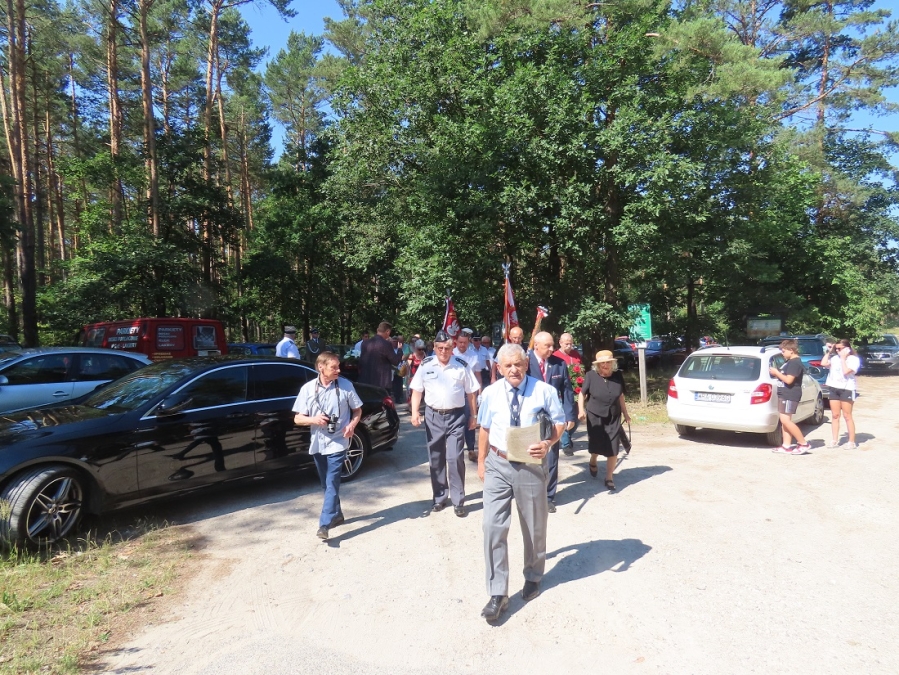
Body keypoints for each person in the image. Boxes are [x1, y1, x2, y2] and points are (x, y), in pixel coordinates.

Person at [476, 343, 565, 623]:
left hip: (530, 464)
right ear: (499, 368)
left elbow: (560, 422)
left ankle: (534, 575)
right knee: (492, 526)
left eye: (518, 364)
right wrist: (481, 462)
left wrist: (548, 444)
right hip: (498, 463)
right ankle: (497, 593)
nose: (513, 369)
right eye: (508, 365)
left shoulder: (544, 391)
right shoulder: (490, 393)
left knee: (534, 526)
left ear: (526, 364)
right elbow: (485, 428)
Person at [292, 352, 363, 540]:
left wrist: (352, 426)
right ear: (321, 368)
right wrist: (313, 419)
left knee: (332, 482)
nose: (338, 370)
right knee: (326, 483)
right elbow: (297, 418)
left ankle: (324, 524)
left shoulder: (346, 386)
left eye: (338, 366)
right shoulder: (308, 389)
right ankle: (337, 514)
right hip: (318, 442)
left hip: (339, 442)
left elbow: (357, 410)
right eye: (334, 367)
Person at [409, 330, 480, 517]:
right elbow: (417, 390)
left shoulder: (461, 365)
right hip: (433, 416)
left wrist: (474, 416)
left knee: (455, 458)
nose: (443, 351)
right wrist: (415, 412)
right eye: (440, 348)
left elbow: (471, 393)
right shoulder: (426, 365)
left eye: (447, 348)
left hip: (456, 416)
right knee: (436, 458)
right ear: (434, 347)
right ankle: (439, 497)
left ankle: (458, 500)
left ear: (452, 347)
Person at [527, 332, 576, 512]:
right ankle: (530, 493)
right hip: (529, 418)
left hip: (552, 418)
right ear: (536, 345)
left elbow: (567, 390)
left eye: (552, 345)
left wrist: (569, 415)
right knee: (529, 455)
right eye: (547, 346)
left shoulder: (559, 364)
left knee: (551, 456)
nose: (551, 349)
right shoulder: (525, 362)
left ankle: (548, 496)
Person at [578, 350, 631, 490]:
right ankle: (593, 459)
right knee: (597, 443)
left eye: (608, 362)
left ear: (612, 363)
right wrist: (581, 410)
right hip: (595, 415)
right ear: (597, 365)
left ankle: (609, 477)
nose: (605, 365)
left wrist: (626, 414)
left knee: (613, 447)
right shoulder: (591, 376)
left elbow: (620, 396)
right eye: (602, 363)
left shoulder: (618, 375)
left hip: (613, 416)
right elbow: (582, 394)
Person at [768, 338, 811, 455]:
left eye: (783, 351)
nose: (782, 353)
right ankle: (786, 446)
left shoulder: (794, 363)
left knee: (786, 421)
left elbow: (789, 380)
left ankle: (803, 443)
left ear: (791, 350)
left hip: (790, 394)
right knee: (784, 421)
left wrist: (776, 373)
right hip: (784, 393)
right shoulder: (789, 362)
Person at [821, 339, 861, 449]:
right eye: (836, 349)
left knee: (847, 415)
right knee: (835, 415)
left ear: (847, 348)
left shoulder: (853, 359)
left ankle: (851, 442)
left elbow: (846, 371)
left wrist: (843, 359)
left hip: (847, 388)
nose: (838, 351)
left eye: (840, 349)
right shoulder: (834, 358)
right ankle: (834, 440)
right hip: (834, 388)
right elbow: (823, 363)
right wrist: (829, 351)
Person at [453, 328, 481, 461]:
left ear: (468, 342)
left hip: (469, 393)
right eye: (460, 342)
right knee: (455, 421)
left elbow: (477, 374)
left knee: (471, 420)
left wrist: (480, 392)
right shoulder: (451, 354)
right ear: (456, 342)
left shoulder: (473, 356)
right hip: (455, 392)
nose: (462, 345)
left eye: (464, 342)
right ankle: (455, 448)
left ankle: (471, 449)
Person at [553, 332, 582, 455]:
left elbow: (580, 370)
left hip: (575, 390)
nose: (569, 346)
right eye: (566, 344)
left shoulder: (576, 355)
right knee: (565, 416)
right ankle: (566, 444)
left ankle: (567, 435)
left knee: (577, 416)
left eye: (571, 344)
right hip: (562, 391)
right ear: (560, 343)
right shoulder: (555, 356)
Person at [358, 322, 402, 391]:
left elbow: (361, 362)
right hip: (381, 383)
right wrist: (399, 350)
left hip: (366, 381)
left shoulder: (365, 343)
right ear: (387, 331)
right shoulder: (386, 344)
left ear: (377, 330)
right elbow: (395, 361)